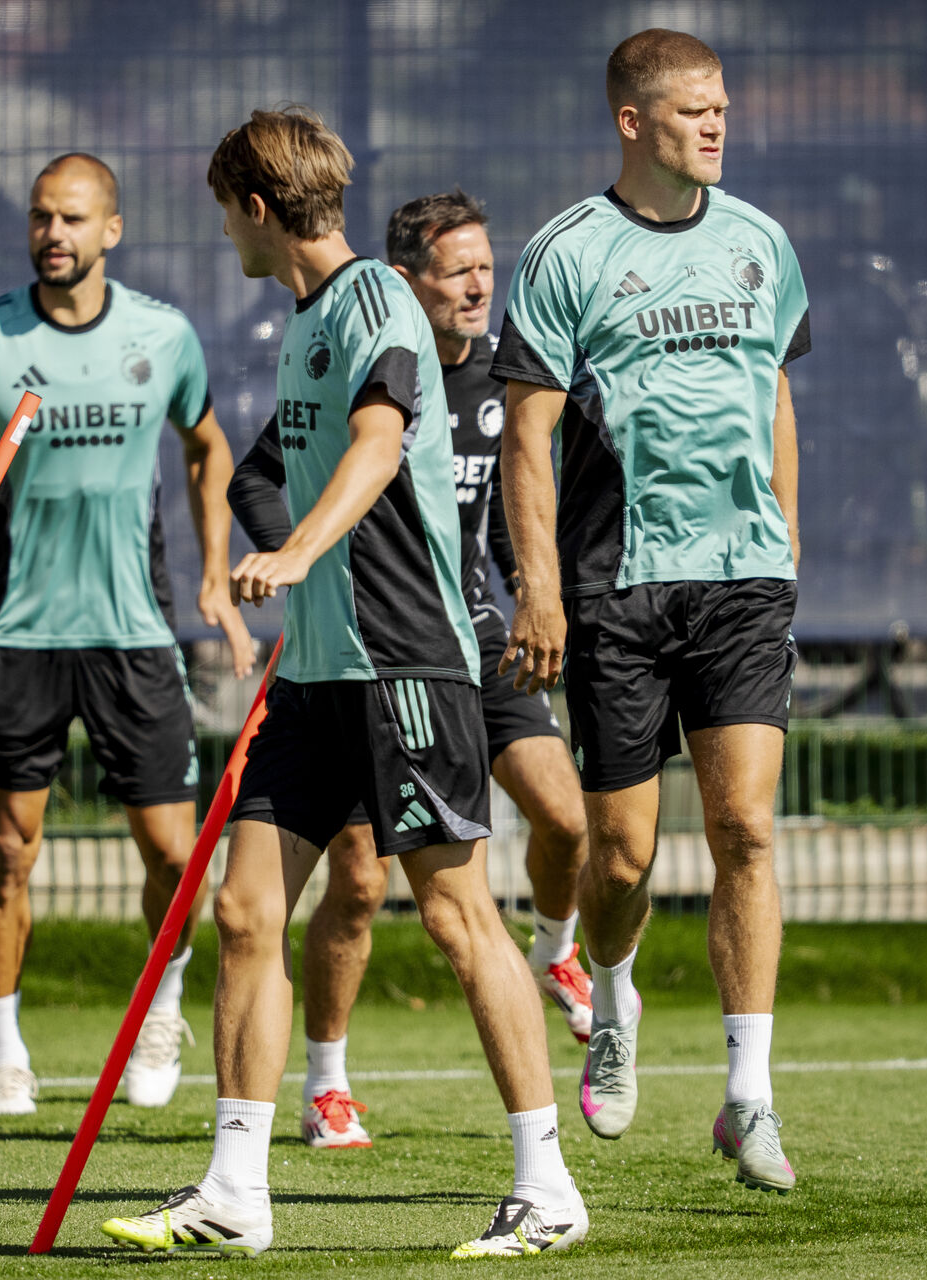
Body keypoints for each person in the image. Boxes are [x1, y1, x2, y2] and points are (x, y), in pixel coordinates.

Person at [102, 107, 587, 1260]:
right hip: (315, 676)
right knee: (244, 910)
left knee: (461, 918)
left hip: (402, 663)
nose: (226, 233)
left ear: (259, 209)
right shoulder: (306, 319)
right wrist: (272, 546)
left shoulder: (374, 298)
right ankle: (234, 1186)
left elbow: (378, 440)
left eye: (228, 212)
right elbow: (269, 469)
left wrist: (303, 551)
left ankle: (548, 1184)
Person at [0, 153, 253, 1115]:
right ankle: (5, 1051)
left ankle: (160, 1011)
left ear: (110, 231)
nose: (55, 234)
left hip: (133, 635)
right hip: (22, 636)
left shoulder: (162, 336)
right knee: (7, 849)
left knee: (172, 853)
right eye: (43, 217)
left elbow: (209, 447)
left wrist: (213, 568)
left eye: (74, 219)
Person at [496, 29, 809, 1195]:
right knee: (621, 852)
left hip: (740, 582)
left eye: (721, 106)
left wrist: (786, 542)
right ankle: (616, 997)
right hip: (614, 588)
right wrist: (539, 587)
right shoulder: (566, 252)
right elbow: (528, 433)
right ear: (632, 121)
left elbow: (775, 390)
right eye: (690, 111)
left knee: (745, 830)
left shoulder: (762, 242)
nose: (715, 126)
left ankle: (748, 1096)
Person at [226, 189, 592, 1153]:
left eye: (487, 266)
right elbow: (259, 473)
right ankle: (272, 1142)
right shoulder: (333, 329)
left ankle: (556, 1011)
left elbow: (425, 467)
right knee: (289, 899)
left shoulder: (488, 376)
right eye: (458, 268)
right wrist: (298, 561)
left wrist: (538, 595)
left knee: (525, 852)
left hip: (438, 648)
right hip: (340, 658)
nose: (480, 285)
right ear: (409, 278)